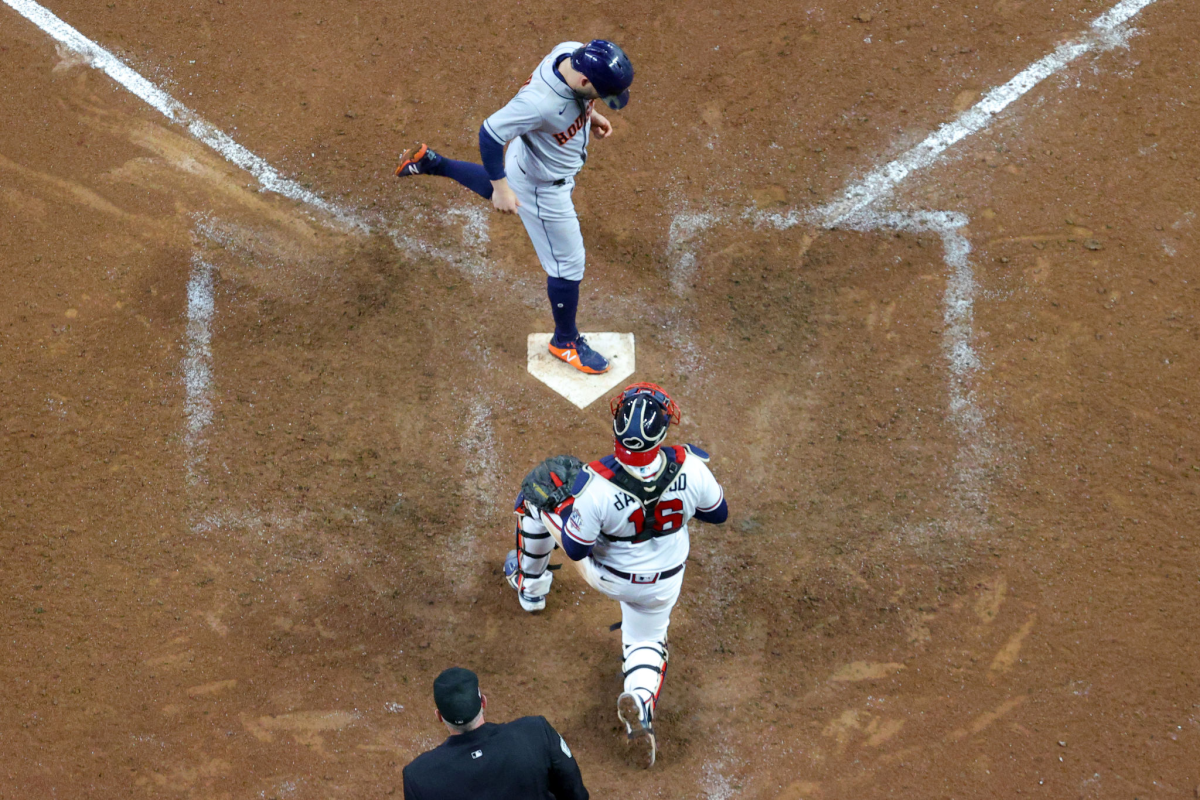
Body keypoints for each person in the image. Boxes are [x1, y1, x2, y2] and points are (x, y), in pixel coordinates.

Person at [503, 383, 729, 767]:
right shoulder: (691, 467)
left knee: (538, 496)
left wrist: (567, 511)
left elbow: (576, 549)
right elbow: (718, 513)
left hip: (606, 574)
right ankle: (640, 700)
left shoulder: (597, 484)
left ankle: (531, 587)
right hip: (663, 582)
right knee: (646, 640)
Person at [394, 40, 634, 375]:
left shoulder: (571, 53)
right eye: (599, 93)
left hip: (529, 156)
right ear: (583, 82)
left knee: (510, 189)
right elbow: (490, 133)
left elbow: (570, 105)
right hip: (543, 188)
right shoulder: (539, 104)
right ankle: (564, 341)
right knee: (568, 264)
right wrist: (500, 187)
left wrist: (593, 116)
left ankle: (436, 164)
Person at [402, 667, 589, 799]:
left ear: (439, 716)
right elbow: (575, 793)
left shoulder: (419, 776)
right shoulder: (535, 733)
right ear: (483, 702)